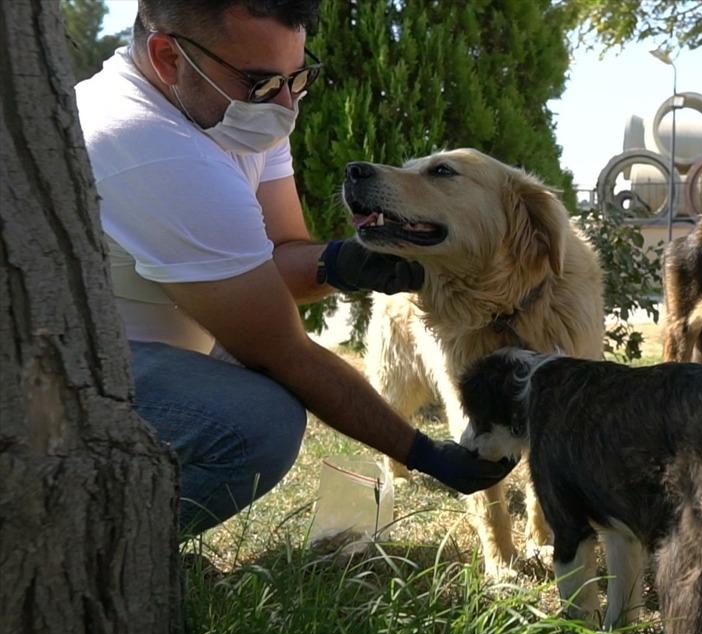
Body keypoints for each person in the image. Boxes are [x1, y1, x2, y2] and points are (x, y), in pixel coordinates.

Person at [74, 0, 514, 534]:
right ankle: (95, 553)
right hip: (61, 373)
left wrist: (342, 263)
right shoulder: (151, 146)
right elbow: (286, 354)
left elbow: (278, 254)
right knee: (257, 423)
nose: (284, 106)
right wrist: (423, 453)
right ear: (169, 57)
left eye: (297, 78)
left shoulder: (237, 117)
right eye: (260, 83)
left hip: (140, 348)